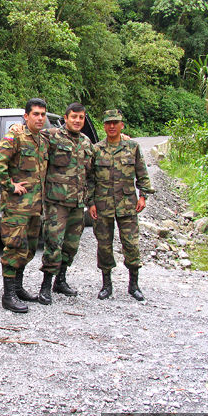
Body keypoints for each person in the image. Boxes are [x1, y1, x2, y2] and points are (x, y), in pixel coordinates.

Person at [0, 98, 49, 313]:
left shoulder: (41, 140)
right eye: (35, 114)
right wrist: (9, 185)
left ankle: (19, 287)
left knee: (28, 249)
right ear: (26, 116)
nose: (40, 118)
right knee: (14, 247)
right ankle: (8, 295)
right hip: (16, 207)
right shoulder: (16, 136)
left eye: (43, 114)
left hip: (34, 207)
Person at [88, 109, 155, 301]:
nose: (111, 126)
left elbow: (142, 173)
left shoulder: (132, 147)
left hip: (127, 205)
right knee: (104, 246)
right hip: (103, 205)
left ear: (121, 125)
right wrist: (91, 202)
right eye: (108, 123)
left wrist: (143, 196)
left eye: (115, 123)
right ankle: (106, 285)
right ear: (104, 126)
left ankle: (133, 285)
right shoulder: (96, 149)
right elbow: (90, 179)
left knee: (131, 244)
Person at [37, 102, 94, 304]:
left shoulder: (87, 143)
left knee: (71, 245)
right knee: (53, 244)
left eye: (81, 118)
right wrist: (17, 128)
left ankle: (60, 281)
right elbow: (31, 136)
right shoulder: (52, 136)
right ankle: (45, 286)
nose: (78, 121)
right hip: (56, 203)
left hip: (78, 204)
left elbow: (92, 174)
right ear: (66, 118)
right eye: (74, 117)